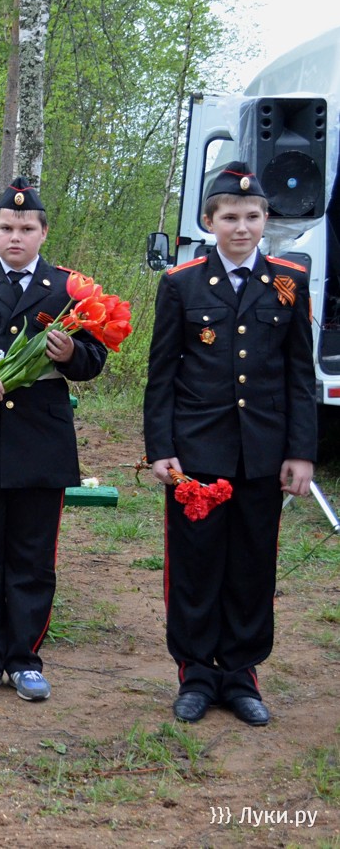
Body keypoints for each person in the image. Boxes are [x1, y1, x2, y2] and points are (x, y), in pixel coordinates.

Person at [143, 163, 314, 727]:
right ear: (209, 221)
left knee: (251, 566)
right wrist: (160, 447)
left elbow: (298, 375)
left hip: (263, 453)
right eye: (230, 217)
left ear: (265, 220)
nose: (242, 227)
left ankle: (240, 675)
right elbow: (163, 374)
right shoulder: (182, 283)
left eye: (253, 216)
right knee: (195, 565)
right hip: (198, 452)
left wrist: (301, 451)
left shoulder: (289, 280)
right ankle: (195, 673)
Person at [0, 177, 107, 702]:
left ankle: (26, 659)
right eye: (7, 227)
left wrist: (70, 355)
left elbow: (94, 359)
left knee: (33, 557)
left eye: (27, 228)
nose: (16, 236)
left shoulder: (70, 289)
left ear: (43, 233)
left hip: (40, 442)